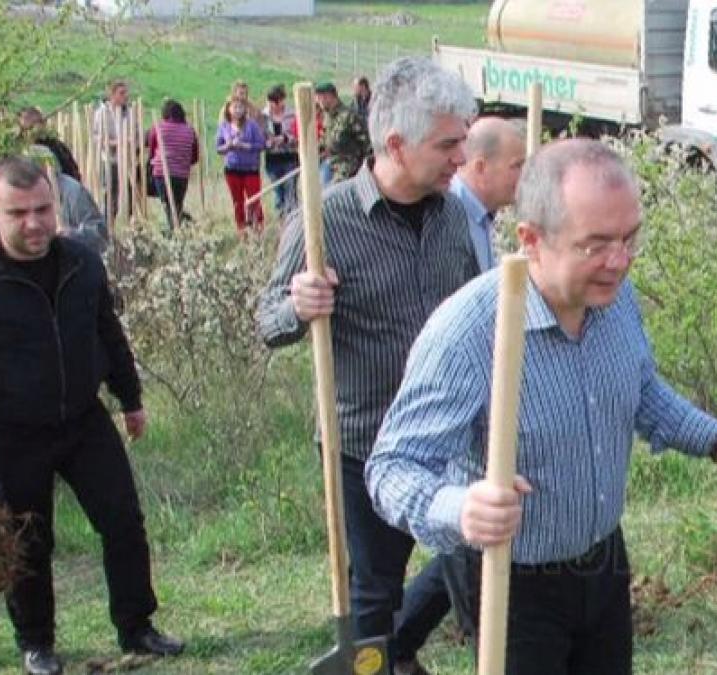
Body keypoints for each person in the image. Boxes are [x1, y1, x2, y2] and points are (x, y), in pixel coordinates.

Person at [365, 139, 717, 675]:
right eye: (597, 244)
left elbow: (642, 392)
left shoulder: (615, 298)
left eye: (630, 238)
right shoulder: (468, 332)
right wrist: (462, 506)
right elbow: (391, 468)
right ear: (531, 240)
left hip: (603, 566)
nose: (620, 261)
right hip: (512, 584)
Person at [0, 158, 184, 675]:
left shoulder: (82, 263)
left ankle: (137, 627)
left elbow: (107, 333)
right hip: (9, 433)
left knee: (123, 522)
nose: (35, 223)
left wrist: (130, 399)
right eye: (19, 213)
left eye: (43, 209)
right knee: (28, 543)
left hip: (83, 419)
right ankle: (36, 643)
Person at [255, 56, 478, 675]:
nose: (461, 157)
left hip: (449, 438)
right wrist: (298, 306)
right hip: (364, 443)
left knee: (468, 554)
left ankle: (398, 656)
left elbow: (475, 312)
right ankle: (377, 661)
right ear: (397, 145)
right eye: (448, 145)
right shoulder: (325, 221)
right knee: (375, 592)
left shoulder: (453, 216)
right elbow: (268, 321)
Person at [449, 117, 526, 272]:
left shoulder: (482, 215)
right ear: (481, 167)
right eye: (517, 166)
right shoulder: (447, 217)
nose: (524, 175)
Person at [147, 99, 199, 232]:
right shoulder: (190, 130)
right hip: (182, 175)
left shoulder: (158, 128)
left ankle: (176, 230)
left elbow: (152, 152)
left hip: (162, 173)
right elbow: (194, 157)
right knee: (177, 204)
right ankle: (181, 227)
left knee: (169, 206)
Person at [216, 98, 265, 235]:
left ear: (245, 110)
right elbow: (218, 148)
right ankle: (241, 229)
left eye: (240, 107)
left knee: (254, 200)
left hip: (251, 169)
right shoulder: (224, 126)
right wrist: (228, 146)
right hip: (232, 169)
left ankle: (258, 228)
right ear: (229, 109)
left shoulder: (252, 125)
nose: (237, 110)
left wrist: (246, 146)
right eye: (235, 107)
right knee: (237, 201)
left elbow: (261, 144)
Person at [91, 78, 131, 220]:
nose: (125, 96)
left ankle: (127, 221)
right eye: (122, 93)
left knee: (127, 194)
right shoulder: (102, 113)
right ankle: (107, 223)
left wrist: (131, 141)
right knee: (109, 194)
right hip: (109, 159)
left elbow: (135, 133)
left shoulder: (128, 113)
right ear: (112, 95)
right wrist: (116, 143)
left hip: (126, 160)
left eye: (126, 93)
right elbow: (97, 137)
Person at [315, 82, 370, 185]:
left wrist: (365, 167)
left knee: (333, 191)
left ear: (330, 97)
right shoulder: (327, 117)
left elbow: (366, 143)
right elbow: (324, 140)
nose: (318, 101)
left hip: (348, 165)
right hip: (331, 163)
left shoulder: (349, 116)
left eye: (320, 98)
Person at [262, 84, 299, 215]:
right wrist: (268, 142)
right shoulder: (263, 116)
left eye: (278, 101)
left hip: (290, 157)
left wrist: (285, 139)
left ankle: (293, 217)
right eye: (272, 101)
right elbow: (260, 135)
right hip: (272, 159)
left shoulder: (293, 114)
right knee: (278, 192)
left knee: (290, 191)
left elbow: (298, 134)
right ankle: (281, 218)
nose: (275, 105)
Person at [19, 106, 82, 182]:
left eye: (31, 127)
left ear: (43, 124)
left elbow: (72, 173)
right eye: (25, 129)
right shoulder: (17, 148)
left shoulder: (56, 147)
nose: (28, 132)